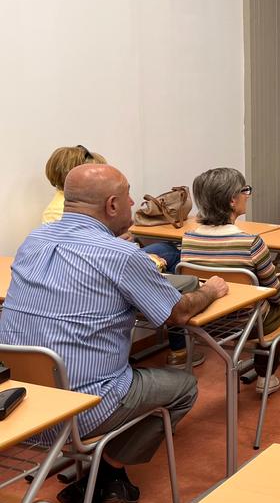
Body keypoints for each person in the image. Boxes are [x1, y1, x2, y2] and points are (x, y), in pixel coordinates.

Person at [0, 164, 229, 503]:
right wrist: (211, 290)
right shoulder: (121, 257)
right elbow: (179, 314)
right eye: (128, 196)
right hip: (83, 410)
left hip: (25, 402)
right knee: (184, 386)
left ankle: (92, 464)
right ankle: (109, 469)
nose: (134, 202)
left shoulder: (34, 240)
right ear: (111, 205)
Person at [41, 145, 197, 368]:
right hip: (101, 271)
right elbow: (96, 254)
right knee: (170, 254)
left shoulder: (54, 212)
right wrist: (127, 250)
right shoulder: (66, 211)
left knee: (162, 252)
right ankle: (177, 345)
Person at [183, 168, 280, 395]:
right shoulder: (251, 242)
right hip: (248, 325)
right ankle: (268, 376)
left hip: (207, 322)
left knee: (277, 276)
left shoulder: (189, 239)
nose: (248, 195)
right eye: (245, 190)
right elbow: (273, 292)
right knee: (273, 298)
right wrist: (277, 295)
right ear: (232, 201)